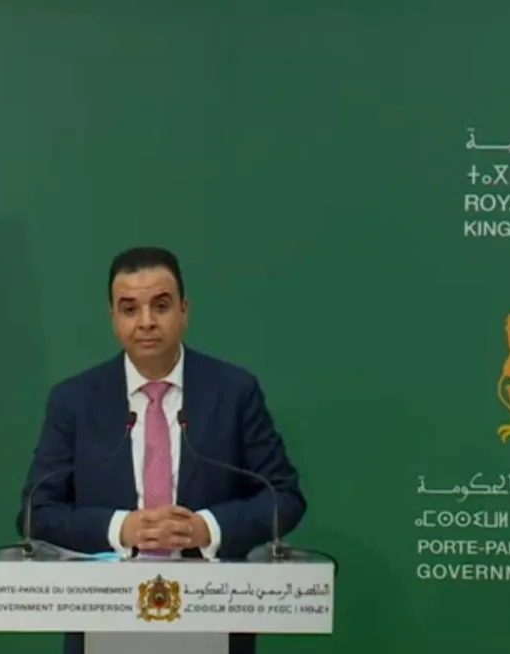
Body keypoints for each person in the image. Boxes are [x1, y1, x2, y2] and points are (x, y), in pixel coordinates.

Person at [16, 247, 306, 654]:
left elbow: (284, 498)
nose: (146, 322)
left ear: (185, 311)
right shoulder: (74, 401)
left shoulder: (234, 392)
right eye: (129, 309)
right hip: (103, 619)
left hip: (215, 616)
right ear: (113, 318)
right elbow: (37, 513)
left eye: (161, 305)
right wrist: (123, 529)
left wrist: (206, 528)